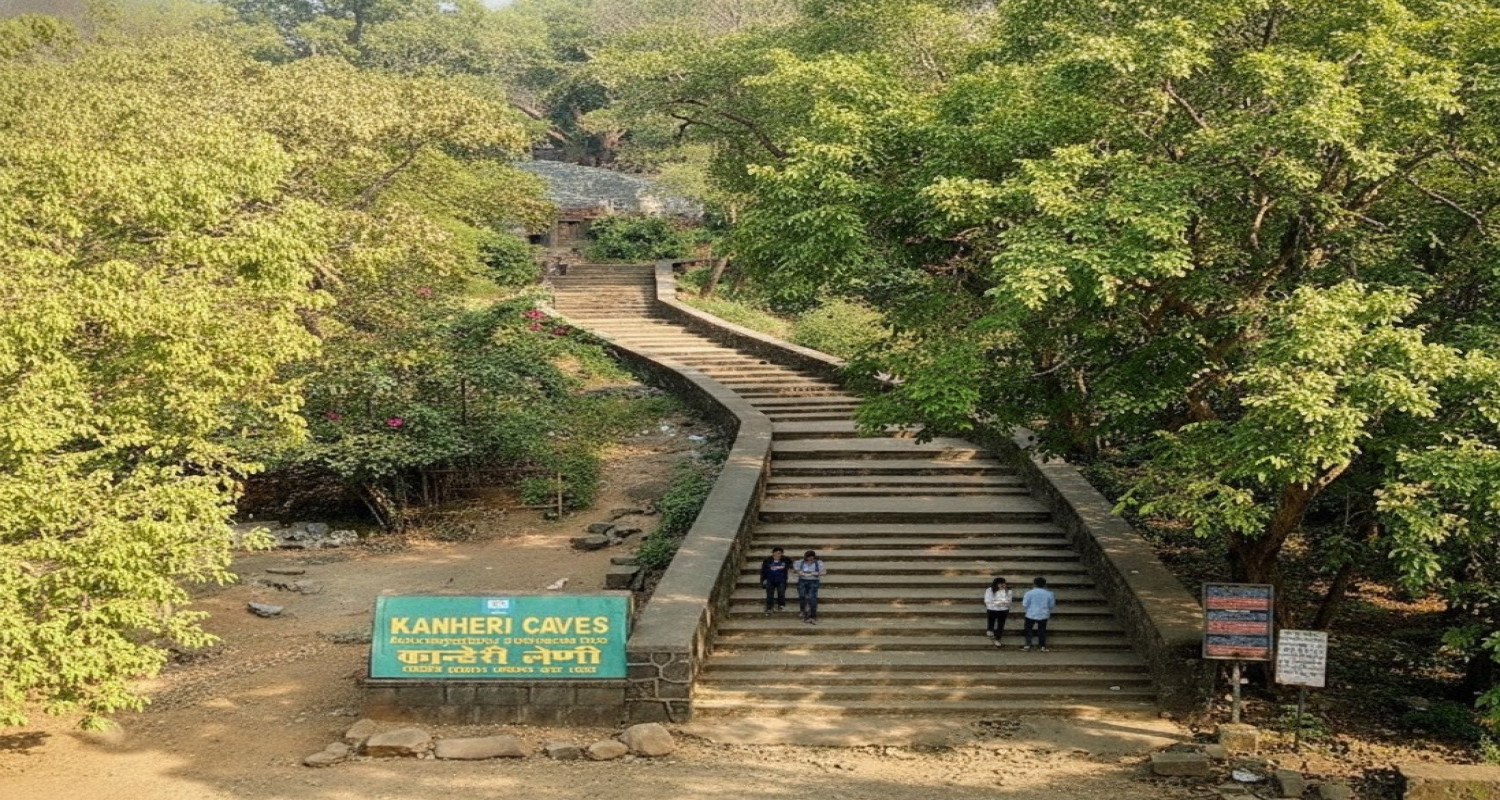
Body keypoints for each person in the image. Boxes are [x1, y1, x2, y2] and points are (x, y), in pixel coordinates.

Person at [1021, 576, 1056, 652]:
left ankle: (1027, 644)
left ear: (1034, 584)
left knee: (1028, 629)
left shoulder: (1029, 593)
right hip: (1043, 614)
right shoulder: (1050, 594)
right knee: (1042, 630)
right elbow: (1051, 605)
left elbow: (1025, 604)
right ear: (1045, 584)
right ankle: (1042, 646)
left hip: (1030, 614)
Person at [794, 550, 826, 625]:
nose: (810, 560)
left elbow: (824, 572)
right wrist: (799, 572)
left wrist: (817, 573)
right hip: (802, 581)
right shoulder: (800, 562)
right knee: (802, 596)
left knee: (812, 597)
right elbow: (795, 570)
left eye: (812, 559)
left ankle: (812, 616)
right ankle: (803, 611)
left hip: (814, 581)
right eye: (808, 558)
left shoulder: (819, 562)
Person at [760, 547, 791, 615]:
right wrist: (763, 580)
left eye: (779, 553)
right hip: (770, 579)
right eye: (776, 553)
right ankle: (769, 607)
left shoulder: (785, 560)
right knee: (769, 594)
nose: (777, 555)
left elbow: (790, 565)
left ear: (782, 554)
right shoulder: (767, 560)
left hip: (781, 580)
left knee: (781, 592)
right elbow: (763, 571)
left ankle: (781, 605)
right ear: (773, 553)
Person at [984, 577, 1012, 648]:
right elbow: (987, 601)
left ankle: (998, 639)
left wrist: (997, 603)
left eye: (1004, 584)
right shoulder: (989, 590)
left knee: (1001, 625)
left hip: (1003, 610)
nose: (1003, 585)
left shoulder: (1008, 591)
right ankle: (990, 630)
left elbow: (1009, 602)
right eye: (1001, 584)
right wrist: (999, 603)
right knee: (991, 621)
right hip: (992, 610)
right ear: (996, 584)